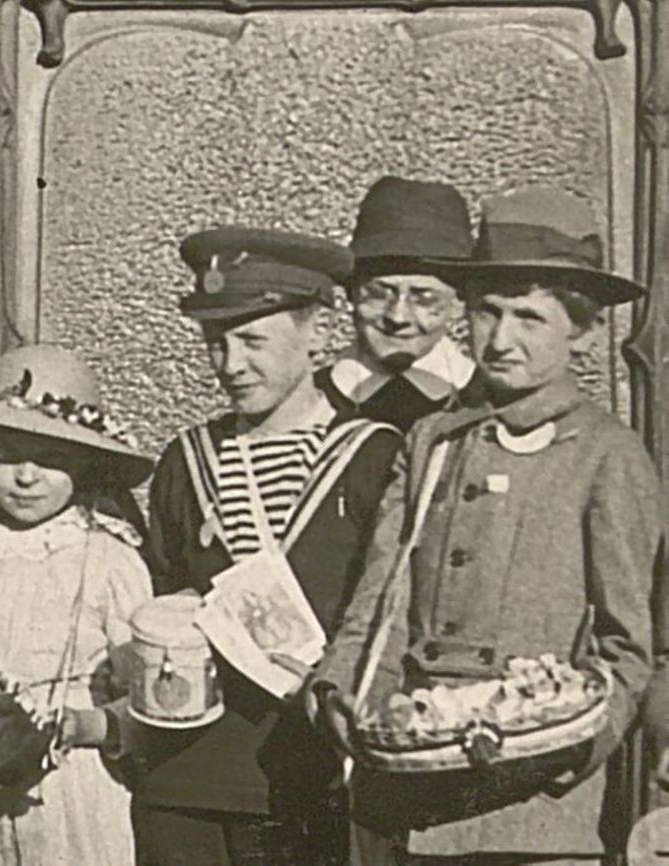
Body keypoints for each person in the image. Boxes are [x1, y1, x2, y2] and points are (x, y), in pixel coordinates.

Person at [310, 187, 663, 865]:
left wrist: (565, 746)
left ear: (584, 333)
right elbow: (382, 595)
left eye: (530, 318)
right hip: (412, 794)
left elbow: (628, 645)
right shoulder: (433, 439)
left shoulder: (605, 456)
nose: (501, 340)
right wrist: (342, 687)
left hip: (532, 814)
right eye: (487, 312)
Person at [133, 227, 404, 865]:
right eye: (215, 342)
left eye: (253, 341)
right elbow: (161, 591)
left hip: (306, 778)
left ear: (317, 332)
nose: (230, 365)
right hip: (184, 778)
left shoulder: (372, 457)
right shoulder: (187, 460)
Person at [0, 344, 155, 865]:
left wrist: (87, 724)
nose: (26, 477)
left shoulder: (107, 561)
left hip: (69, 781)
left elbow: (144, 696)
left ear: (85, 466)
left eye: (51, 460)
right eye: (9, 455)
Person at [317, 176, 479, 432]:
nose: (398, 316)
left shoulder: (487, 403)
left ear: (460, 302)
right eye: (379, 293)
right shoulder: (309, 403)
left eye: (424, 298)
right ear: (351, 293)